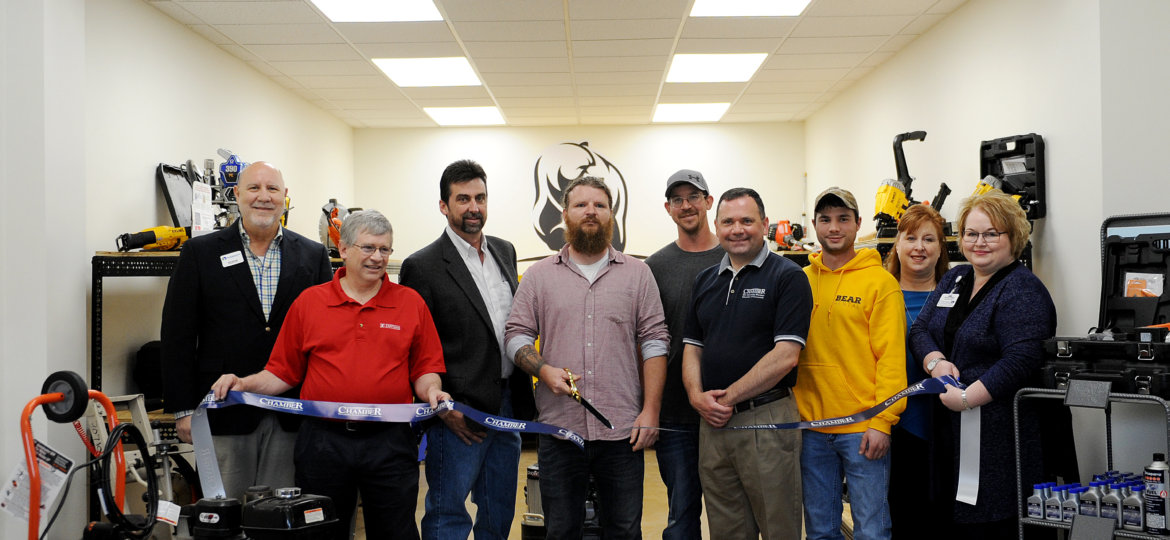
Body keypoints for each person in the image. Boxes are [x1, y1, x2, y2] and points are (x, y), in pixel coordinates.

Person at [211, 210, 448, 540]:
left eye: (385, 249)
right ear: (345, 249)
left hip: (390, 444)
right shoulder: (310, 303)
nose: (377, 258)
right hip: (323, 443)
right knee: (321, 532)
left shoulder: (410, 303)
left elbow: (425, 370)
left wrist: (433, 391)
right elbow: (282, 372)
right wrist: (243, 383)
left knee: (396, 531)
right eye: (368, 248)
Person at [505, 176, 669, 540]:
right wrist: (543, 369)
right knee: (561, 529)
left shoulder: (639, 275)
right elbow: (515, 335)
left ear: (612, 214)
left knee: (624, 530)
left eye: (599, 205)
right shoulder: (538, 276)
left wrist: (651, 410)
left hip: (622, 430)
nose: (590, 212)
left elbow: (656, 341)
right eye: (581, 205)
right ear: (565, 215)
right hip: (560, 430)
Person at [160, 161, 332, 501]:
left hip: (292, 413)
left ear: (285, 197)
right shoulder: (200, 253)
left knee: (281, 517)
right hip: (225, 412)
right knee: (225, 514)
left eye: (272, 189)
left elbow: (327, 334)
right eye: (254, 188)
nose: (263, 197)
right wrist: (182, 411)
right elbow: (177, 336)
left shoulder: (312, 256)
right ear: (237, 195)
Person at [399, 159, 535, 540]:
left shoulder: (505, 252)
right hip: (457, 413)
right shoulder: (422, 266)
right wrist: (443, 410)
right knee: (448, 513)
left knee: (498, 510)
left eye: (480, 197)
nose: (473, 207)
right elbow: (415, 348)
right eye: (463, 199)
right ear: (444, 206)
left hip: (508, 405)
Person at [910, 190, 1056, 538]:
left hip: (998, 433)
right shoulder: (954, 279)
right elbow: (920, 330)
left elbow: (1022, 359)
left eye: (991, 234)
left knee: (991, 521)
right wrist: (936, 362)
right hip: (948, 429)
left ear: (1013, 237)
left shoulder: (1022, 290)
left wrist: (967, 398)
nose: (980, 242)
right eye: (971, 233)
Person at [682, 187, 812, 540]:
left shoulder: (788, 277)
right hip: (713, 424)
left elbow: (786, 355)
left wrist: (727, 399)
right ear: (718, 226)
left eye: (746, 220)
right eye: (728, 222)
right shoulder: (706, 280)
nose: (737, 229)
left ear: (765, 224)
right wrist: (697, 397)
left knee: (778, 525)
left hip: (766, 420)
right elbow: (693, 348)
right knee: (726, 527)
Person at [795, 187, 906, 540]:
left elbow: (890, 359)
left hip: (862, 427)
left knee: (871, 530)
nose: (834, 227)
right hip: (811, 428)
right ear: (814, 225)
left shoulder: (880, 283)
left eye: (843, 219)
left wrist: (883, 421)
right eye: (825, 219)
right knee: (819, 531)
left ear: (858, 225)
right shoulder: (800, 282)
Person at [644, 169, 723, 540]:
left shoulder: (734, 255)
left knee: (733, 514)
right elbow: (646, 340)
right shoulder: (654, 268)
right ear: (667, 208)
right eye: (678, 199)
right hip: (675, 413)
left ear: (709, 202)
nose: (686, 205)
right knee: (682, 516)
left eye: (694, 196)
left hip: (732, 407)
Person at [882, 203, 951, 536]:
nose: (919, 247)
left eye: (929, 239)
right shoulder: (879, 293)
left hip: (946, 425)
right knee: (901, 516)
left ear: (941, 249)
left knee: (940, 519)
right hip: (894, 425)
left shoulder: (958, 296)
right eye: (911, 238)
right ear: (897, 244)